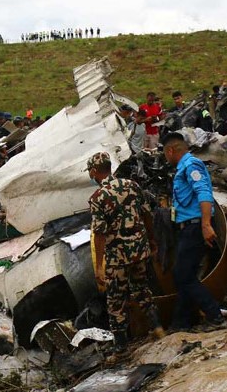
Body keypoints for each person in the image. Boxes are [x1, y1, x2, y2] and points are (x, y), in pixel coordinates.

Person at [86, 152, 165, 356]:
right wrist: (151, 240)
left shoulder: (97, 198)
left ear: (95, 172)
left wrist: (99, 266)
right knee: (142, 289)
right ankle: (157, 328)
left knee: (115, 301)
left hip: (117, 258)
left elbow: (99, 234)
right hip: (139, 250)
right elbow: (147, 213)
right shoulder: (131, 185)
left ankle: (121, 347)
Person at [162, 132, 227, 331]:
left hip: (195, 227)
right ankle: (180, 323)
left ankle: (215, 316)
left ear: (171, 150)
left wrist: (206, 225)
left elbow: (204, 194)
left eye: (166, 153)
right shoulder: (183, 167)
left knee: (184, 274)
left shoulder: (191, 166)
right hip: (187, 227)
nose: (166, 158)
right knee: (183, 274)